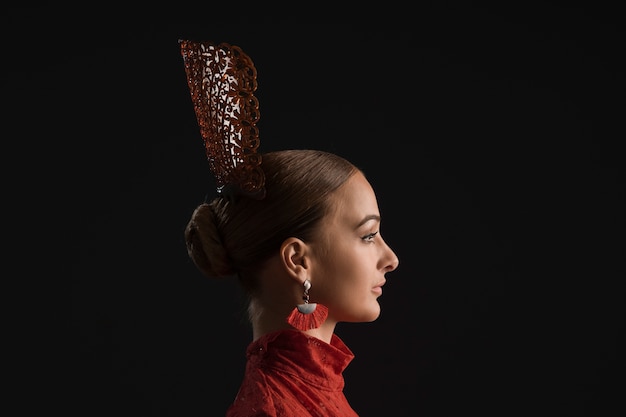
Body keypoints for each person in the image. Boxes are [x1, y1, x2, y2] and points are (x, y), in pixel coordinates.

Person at [179, 40, 399, 417]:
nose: (390, 258)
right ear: (298, 259)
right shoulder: (272, 407)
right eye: (367, 235)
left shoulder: (315, 390)